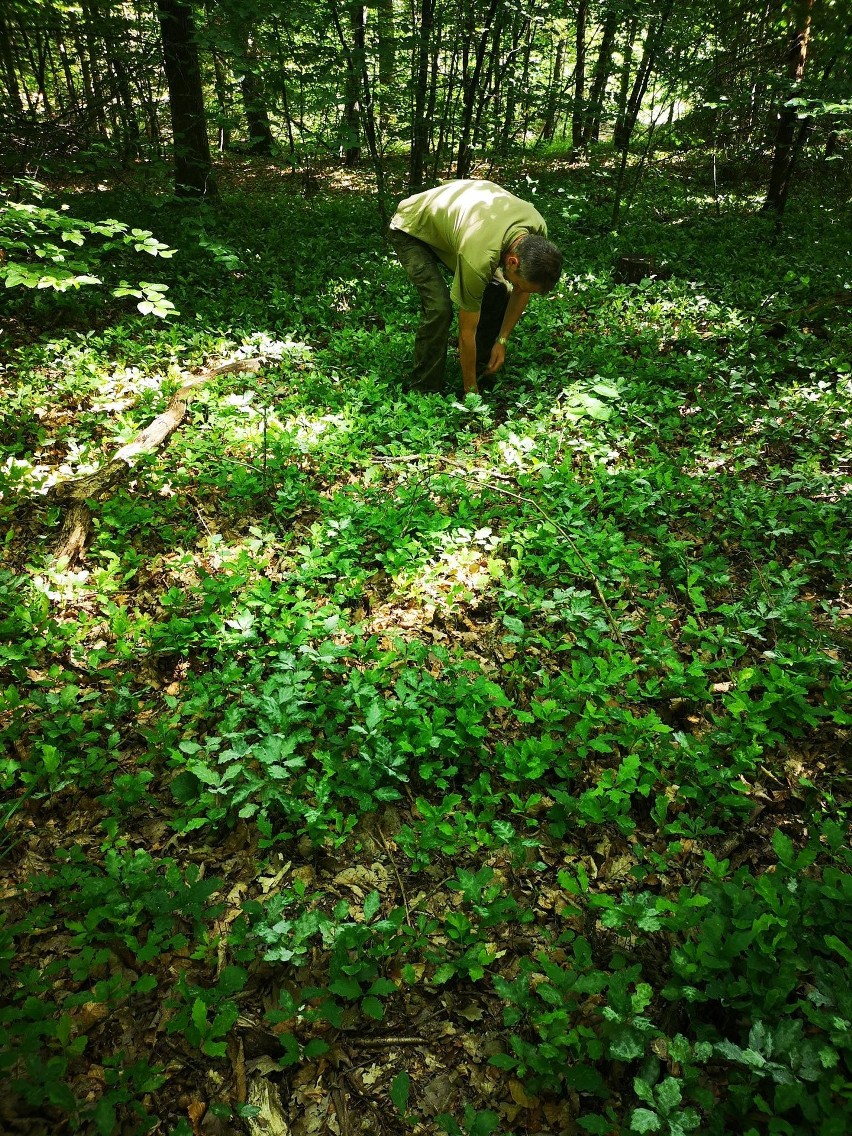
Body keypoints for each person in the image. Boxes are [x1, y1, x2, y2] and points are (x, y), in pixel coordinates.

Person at [388, 179, 563, 396]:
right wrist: (470, 391)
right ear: (512, 262)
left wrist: (502, 340)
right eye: (519, 282)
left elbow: (520, 291)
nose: (519, 288)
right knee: (439, 307)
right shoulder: (479, 257)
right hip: (412, 227)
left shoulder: (536, 231)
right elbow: (466, 331)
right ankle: (424, 390)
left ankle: (483, 367)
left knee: (499, 291)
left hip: (457, 228)